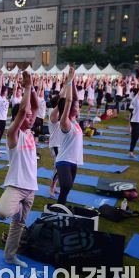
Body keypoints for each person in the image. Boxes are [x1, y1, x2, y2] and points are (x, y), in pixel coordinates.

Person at [0, 71, 39, 268]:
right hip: (16, 185)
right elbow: (22, 112)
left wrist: (33, 88)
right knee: (3, 213)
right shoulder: (13, 135)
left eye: (31, 117)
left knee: (19, 225)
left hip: (31, 188)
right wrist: (27, 87)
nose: (30, 119)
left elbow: (34, 107)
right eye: (27, 117)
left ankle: (10, 255)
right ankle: (8, 205)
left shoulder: (29, 132)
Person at [55, 68, 83, 205]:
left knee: (66, 190)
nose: (79, 107)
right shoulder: (65, 122)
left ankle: (60, 208)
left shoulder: (75, 122)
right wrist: (70, 81)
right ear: (71, 108)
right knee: (66, 186)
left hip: (73, 161)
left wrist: (74, 79)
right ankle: (59, 208)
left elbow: (75, 98)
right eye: (77, 106)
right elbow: (70, 100)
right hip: (64, 160)